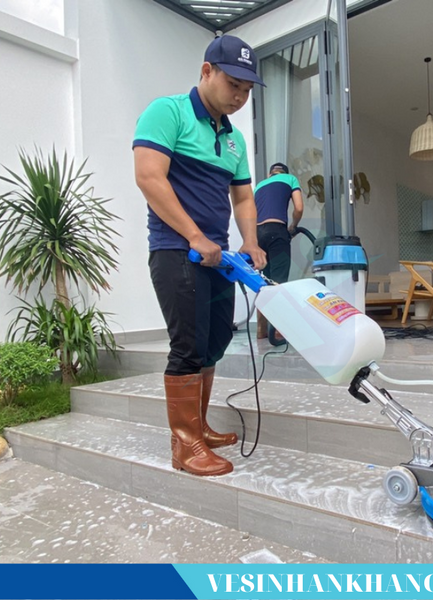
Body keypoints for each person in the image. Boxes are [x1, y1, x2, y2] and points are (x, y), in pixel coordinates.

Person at [132, 35, 267, 477]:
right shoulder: (167, 112)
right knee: (188, 347)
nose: (240, 96)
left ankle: (200, 427)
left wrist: (250, 241)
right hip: (175, 251)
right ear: (207, 71)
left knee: (215, 342)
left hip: (217, 257)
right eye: (233, 85)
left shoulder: (235, 140)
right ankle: (185, 445)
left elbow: (243, 197)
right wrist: (193, 236)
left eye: (247, 90)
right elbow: (149, 178)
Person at [253, 162, 304, 342]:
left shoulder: (259, 186)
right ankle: (278, 331)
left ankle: (261, 329)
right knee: (278, 282)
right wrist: (293, 226)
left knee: (263, 282)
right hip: (277, 231)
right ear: (285, 173)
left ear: (270, 174)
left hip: (257, 234)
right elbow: (299, 208)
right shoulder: (290, 179)